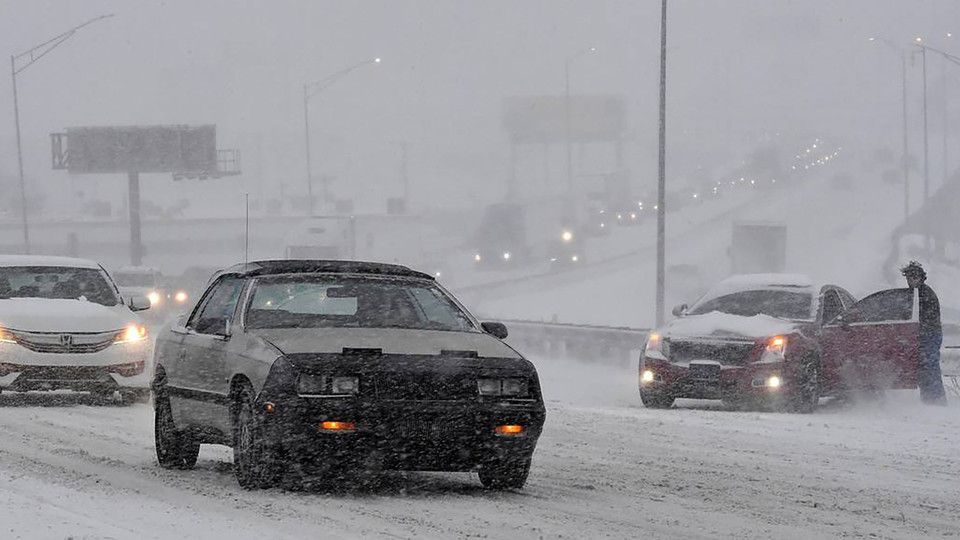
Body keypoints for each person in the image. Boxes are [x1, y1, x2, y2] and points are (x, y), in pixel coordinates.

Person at [902, 261, 947, 405]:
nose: (911, 280)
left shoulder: (925, 293)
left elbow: (925, 317)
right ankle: (929, 400)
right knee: (923, 368)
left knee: (930, 367)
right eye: (909, 277)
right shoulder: (915, 293)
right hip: (923, 335)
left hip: (930, 335)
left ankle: (937, 401)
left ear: (921, 278)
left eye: (914, 277)